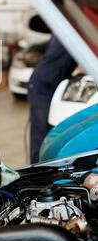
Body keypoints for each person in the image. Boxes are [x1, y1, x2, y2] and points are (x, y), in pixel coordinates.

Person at [28, 35, 76, 164]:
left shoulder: (69, 30)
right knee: (41, 132)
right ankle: (38, 170)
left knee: (49, 131)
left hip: (51, 84)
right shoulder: (69, 32)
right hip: (43, 86)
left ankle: (48, 165)